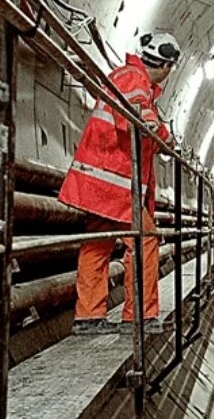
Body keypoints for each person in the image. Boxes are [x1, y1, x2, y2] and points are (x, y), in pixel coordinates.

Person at [59, 31, 181, 335]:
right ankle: (139, 316)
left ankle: (88, 316)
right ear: (166, 67)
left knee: (97, 245)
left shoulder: (128, 77)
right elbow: (139, 120)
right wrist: (167, 138)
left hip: (103, 182)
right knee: (145, 239)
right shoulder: (133, 78)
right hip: (114, 183)